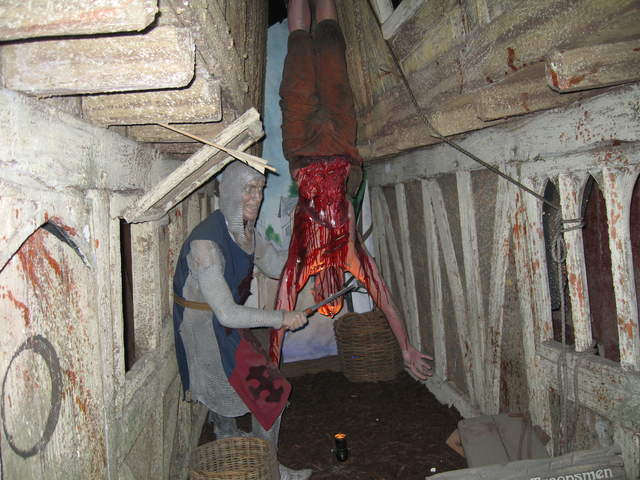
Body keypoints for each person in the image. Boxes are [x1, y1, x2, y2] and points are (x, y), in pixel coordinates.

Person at [270, 0, 433, 381]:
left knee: (299, 49)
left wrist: (272, 366)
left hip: (302, 146)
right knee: (330, 48)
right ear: (339, 287)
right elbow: (386, 302)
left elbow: (279, 316)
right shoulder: (352, 257)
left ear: (317, 290)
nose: (327, 298)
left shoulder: (301, 263)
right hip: (342, 144)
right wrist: (406, 348)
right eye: (333, 303)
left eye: (324, 303)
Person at [172, 160, 312, 480]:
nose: (256, 197)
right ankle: (269, 471)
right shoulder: (205, 245)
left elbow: (275, 265)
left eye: (260, 189)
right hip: (203, 330)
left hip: (224, 324)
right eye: (248, 189)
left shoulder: (245, 232)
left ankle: (240, 451)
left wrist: (303, 245)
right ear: (231, 191)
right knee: (269, 394)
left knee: (235, 393)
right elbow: (226, 312)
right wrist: (281, 317)